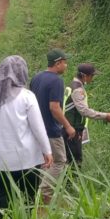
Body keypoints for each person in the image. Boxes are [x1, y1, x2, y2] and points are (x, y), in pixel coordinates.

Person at [0, 55, 53, 216]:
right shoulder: (27, 97)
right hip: (26, 159)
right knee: (28, 197)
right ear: (22, 73)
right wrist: (47, 150)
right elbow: (38, 128)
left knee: (1, 197)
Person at [30, 49, 76, 204]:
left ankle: (42, 196)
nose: (66, 65)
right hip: (51, 129)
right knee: (59, 161)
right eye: (64, 62)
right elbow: (54, 108)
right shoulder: (56, 81)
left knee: (45, 162)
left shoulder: (36, 78)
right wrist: (68, 126)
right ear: (58, 63)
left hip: (36, 128)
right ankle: (44, 193)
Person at [63, 63, 110, 166]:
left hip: (69, 126)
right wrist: (106, 116)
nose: (92, 78)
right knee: (75, 161)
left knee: (69, 159)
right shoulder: (78, 90)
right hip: (73, 129)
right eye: (91, 76)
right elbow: (84, 111)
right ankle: (72, 182)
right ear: (84, 76)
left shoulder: (72, 85)